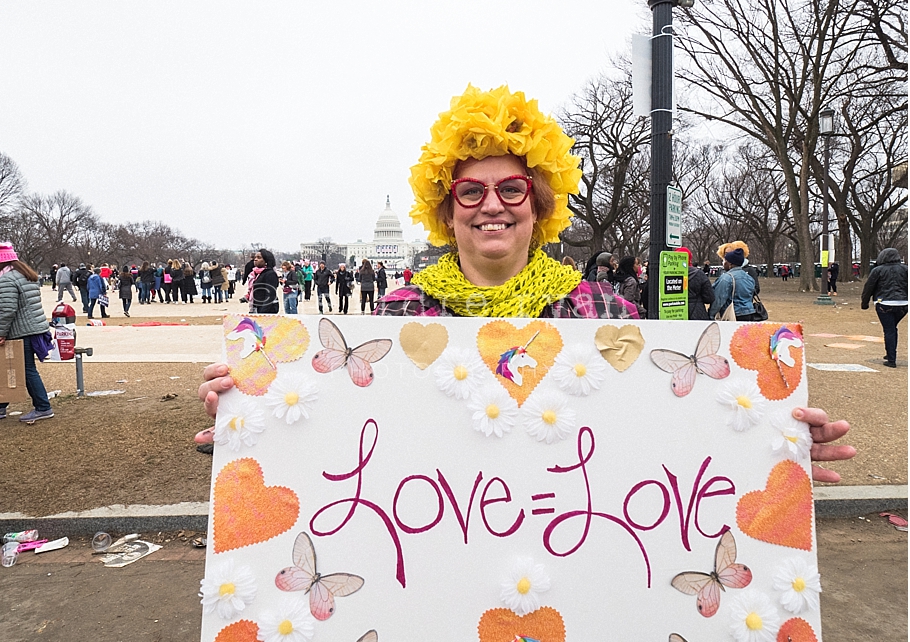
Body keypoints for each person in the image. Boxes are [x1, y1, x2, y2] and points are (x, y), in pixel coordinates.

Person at [196, 85, 855, 482]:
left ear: (539, 204)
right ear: (446, 208)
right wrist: (251, 417)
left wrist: (772, 442)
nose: (492, 204)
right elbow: (345, 447)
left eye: (513, 187)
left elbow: (660, 440)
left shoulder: (608, 312)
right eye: (470, 189)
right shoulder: (393, 317)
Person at [0, 242, 55, 423]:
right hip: (34, 327)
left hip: (22, 330)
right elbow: (21, 303)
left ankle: (43, 407)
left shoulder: (6, 279)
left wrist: (0, 333)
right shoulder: (26, 274)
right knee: (14, 368)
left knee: (26, 370)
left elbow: (8, 310)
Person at [861, 247, 907, 369]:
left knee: (889, 330)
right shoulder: (906, 269)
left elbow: (869, 287)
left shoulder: (878, 270)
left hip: (884, 303)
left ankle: (891, 359)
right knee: (892, 328)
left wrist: (864, 303)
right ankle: (890, 353)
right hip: (903, 304)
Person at [710, 247, 757, 321]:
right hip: (749, 313)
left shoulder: (726, 278)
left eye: (725, 260)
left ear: (730, 263)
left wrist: (711, 314)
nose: (723, 263)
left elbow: (719, 299)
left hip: (733, 314)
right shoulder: (749, 278)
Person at [676, 246, 715, 321]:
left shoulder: (667, 274)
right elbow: (709, 298)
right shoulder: (699, 274)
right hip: (697, 313)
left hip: (673, 312)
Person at [247, 249, 280, 314]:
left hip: (267, 309)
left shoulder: (270, 274)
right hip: (257, 307)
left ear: (266, 260)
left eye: (259, 258)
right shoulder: (256, 274)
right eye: (255, 257)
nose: (255, 259)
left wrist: (262, 312)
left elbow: (270, 295)